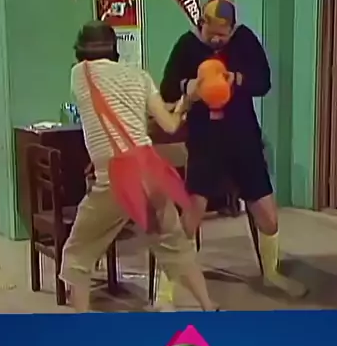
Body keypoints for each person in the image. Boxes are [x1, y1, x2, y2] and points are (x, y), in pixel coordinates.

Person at [60, 21, 218, 313]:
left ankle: (81, 326)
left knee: (78, 254)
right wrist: (186, 101)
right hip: (151, 171)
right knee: (176, 247)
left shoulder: (79, 74)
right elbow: (169, 125)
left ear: (81, 50)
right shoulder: (139, 76)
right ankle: (210, 307)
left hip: (116, 178)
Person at [160, 0, 307, 298]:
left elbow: (263, 82)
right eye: (211, 33)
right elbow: (167, 89)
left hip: (244, 138)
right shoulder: (187, 46)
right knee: (191, 216)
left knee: (269, 217)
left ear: (232, 28)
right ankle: (166, 287)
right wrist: (189, 87)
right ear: (201, 23)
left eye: (222, 34)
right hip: (205, 141)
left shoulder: (244, 40)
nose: (216, 39)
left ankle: (271, 273)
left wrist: (236, 79)